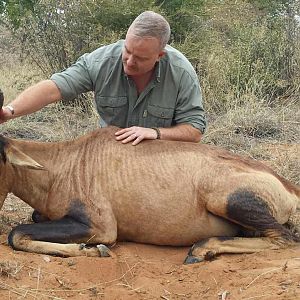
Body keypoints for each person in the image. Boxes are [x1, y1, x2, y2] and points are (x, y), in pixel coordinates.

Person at [0, 11, 206, 145]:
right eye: (127, 50)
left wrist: (155, 132)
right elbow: (55, 87)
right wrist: (10, 111)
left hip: (160, 158)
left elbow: (194, 130)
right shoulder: (101, 61)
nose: (129, 61)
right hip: (108, 156)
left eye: (141, 58)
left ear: (160, 55)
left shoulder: (182, 72)